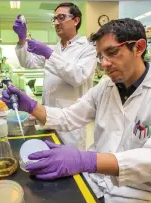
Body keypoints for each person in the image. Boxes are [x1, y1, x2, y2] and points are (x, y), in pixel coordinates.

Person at [3, 18, 151, 203]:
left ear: (139, 47)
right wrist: (30, 105)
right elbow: (68, 117)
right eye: (100, 56)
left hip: (146, 197)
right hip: (98, 183)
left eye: (112, 52)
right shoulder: (105, 88)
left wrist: (87, 160)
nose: (104, 64)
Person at [12, 2, 97, 150]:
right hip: (47, 116)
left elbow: (77, 76)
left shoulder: (87, 49)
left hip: (71, 125)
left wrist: (49, 55)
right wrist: (21, 39)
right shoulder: (55, 48)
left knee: (68, 166)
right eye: (55, 19)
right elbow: (28, 62)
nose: (57, 22)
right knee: (48, 158)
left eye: (61, 18)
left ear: (76, 20)